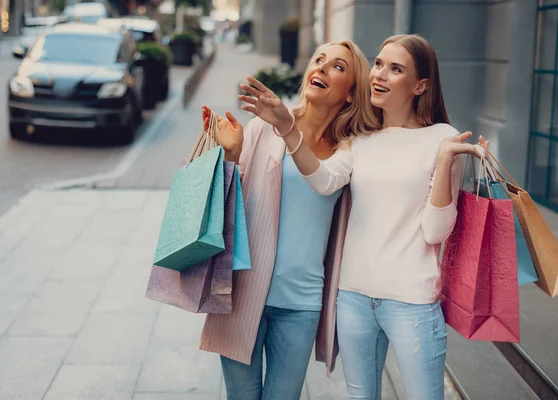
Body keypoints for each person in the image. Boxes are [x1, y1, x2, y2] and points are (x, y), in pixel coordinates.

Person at [237, 34, 489, 400]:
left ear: (420, 85)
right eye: (379, 64)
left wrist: (446, 160)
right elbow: (323, 181)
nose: (380, 75)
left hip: (412, 302)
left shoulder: (444, 139)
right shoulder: (359, 138)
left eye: (396, 69)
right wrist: (288, 128)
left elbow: (435, 231)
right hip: (353, 298)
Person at [197, 40, 380, 400]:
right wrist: (230, 155)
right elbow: (233, 202)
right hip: (242, 290)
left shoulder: (351, 148)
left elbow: (324, 181)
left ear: (349, 95)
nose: (323, 68)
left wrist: (286, 126)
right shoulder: (262, 128)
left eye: (338, 67)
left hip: (301, 303)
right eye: (319, 60)